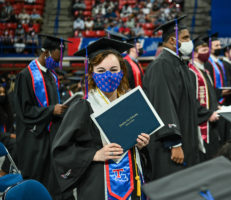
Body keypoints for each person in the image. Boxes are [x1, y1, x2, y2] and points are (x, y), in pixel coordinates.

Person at [52, 38, 151, 200]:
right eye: (101, 71)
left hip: (133, 180)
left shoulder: (130, 103)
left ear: (122, 72)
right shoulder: (83, 107)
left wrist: (142, 144)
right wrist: (94, 154)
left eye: (113, 69)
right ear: (91, 73)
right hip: (98, 184)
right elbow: (61, 150)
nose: (108, 75)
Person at [143, 16, 216, 180]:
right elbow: (163, 104)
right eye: (185, 38)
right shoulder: (162, 65)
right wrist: (174, 143)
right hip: (168, 147)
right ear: (171, 40)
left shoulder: (178, 64)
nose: (189, 42)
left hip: (185, 141)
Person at [14, 35, 70, 199]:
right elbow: (24, 111)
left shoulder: (51, 76)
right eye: (57, 57)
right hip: (34, 140)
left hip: (51, 137)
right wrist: (52, 110)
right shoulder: (26, 76)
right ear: (46, 53)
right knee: (37, 181)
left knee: (52, 182)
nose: (59, 62)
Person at [188, 35, 221, 159]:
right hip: (201, 123)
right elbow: (192, 100)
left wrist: (216, 106)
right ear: (195, 54)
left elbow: (210, 94)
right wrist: (207, 114)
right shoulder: (191, 72)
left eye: (208, 50)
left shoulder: (205, 71)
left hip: (212, 120)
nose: (207, 53)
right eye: (203, 51)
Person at [204, 33, 231, 105]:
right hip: (214, 100)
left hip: (224, 98)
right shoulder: (207, 63)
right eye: (216, 46)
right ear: (209, 48)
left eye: (220, 45)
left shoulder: (220, 63)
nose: (219, 47)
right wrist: (221, 92)